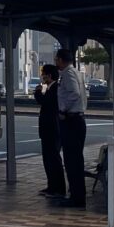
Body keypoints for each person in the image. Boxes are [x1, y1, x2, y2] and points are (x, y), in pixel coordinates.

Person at [55, 48, 88, 208]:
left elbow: (74, 93)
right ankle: (78, 194)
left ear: (61, 60)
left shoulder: (68, 74)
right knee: (76, 160)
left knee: (72, 160)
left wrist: (63, 109)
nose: (56, 63)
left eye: (56, 59)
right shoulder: (76, 72)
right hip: (78, 120)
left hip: (71, 120)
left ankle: (77, 197)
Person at [33, 64, 65, 197]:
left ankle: (58, 188)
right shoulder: (50, 88)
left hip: (52, 129)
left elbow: (44, 102)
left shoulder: (55, 89)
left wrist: (37, 92)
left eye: (44, 74)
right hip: (47, 129)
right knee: (48, 158)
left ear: (50, 75)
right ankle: (51, 186)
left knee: (53, 158)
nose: (42, 76)